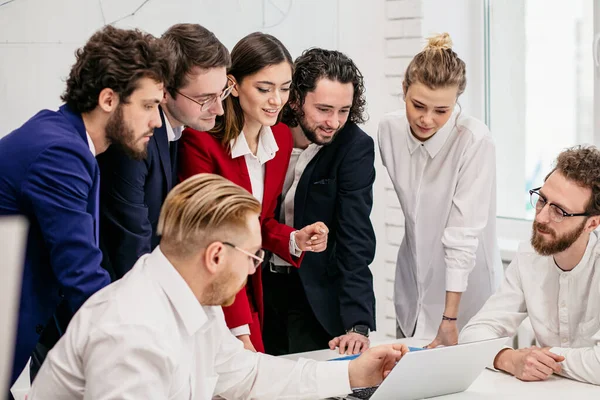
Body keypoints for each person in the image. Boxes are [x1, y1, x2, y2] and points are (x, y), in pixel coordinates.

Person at [28, 173, 410, 399]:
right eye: (252, 258)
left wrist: (352, 374)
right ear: (215, 256)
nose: (252, 271)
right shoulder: (132, 330)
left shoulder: (194, 299)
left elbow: (247, 373)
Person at [0, 26, 171, 388]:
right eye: (148, 105)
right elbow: (81, 274)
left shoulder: (66, 138)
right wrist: (147, 349)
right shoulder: (62, 153)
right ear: (109, 99)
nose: (156, 122)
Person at [178, 32, 328, 353]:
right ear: (232, 85)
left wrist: (293, 239)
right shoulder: (201, 144)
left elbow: (258, 222)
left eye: (285, 89)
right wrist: (238, 328)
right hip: (208, 291)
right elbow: (208, 238)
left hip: (248, 287)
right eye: (264, 88)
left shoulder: (282, 140)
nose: (277, 100)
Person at [378, 33, 503, 348]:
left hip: (465, 297)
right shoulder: (389, 130)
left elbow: (462, 236)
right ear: (404, 89)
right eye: (418, 105)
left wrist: (449, 318)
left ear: (457, 102)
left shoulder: (474, 140)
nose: (426, 119)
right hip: (412, 287)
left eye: (441, 111)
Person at [262, 48, 377, 356]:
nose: (334, 122)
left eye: (344, 110)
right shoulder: (265, 130)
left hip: (314, 297)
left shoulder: (354, 147)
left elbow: (355, 236)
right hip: (258, 285)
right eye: (324, 109)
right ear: (296, 99)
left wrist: (358, 323)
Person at [97, 23, 230, 280]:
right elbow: (131, 246)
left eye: (221, 93)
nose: (219, 109)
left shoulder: (177, 131)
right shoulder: (136, 140)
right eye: (205, 99)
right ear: (165, 91)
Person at [460, 146, 600, 386]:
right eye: (542, 200)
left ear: (592, 223)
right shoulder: (529, 254)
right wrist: (509, 358)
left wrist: (540, 358)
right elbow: (474, 332)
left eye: (559, 211)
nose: (541, 217)